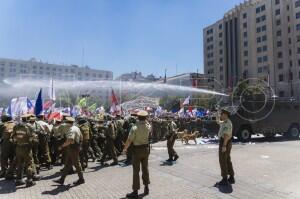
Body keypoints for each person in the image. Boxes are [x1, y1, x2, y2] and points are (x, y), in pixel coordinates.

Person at [123, 110, 151, 198]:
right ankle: (146, 188)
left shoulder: (134, 127)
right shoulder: (148, 126)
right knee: (145, 169)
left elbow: (129, 140)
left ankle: (135, 191)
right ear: (145, 118)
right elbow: (148, 126)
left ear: (137, 117)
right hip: (146, 149)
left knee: (136, 171)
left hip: (137, 150)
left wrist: (125, 149)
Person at [53, 116, 85, 185]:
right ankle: (62, 179)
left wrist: (62, 146)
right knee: (68, 164)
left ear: (67, 122)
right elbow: (81, 137)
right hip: (75, 147)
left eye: (65, 122)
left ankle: (81, 179)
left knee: (77, 164)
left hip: (73, 148)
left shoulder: (71, 129)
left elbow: (70, 140)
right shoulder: (76, 127)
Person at [215, 108, 235, 186]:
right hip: (226, 142)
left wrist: (224, 145)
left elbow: (226, 135)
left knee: (222, 160)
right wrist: (216, 115)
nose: (220, 115)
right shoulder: (225, 122)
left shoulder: (227, 123)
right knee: (227, 159)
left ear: (226, 115)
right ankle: (231, 177)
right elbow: (218, 122)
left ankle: (224, 179)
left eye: (221, 114)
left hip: (225, 142)